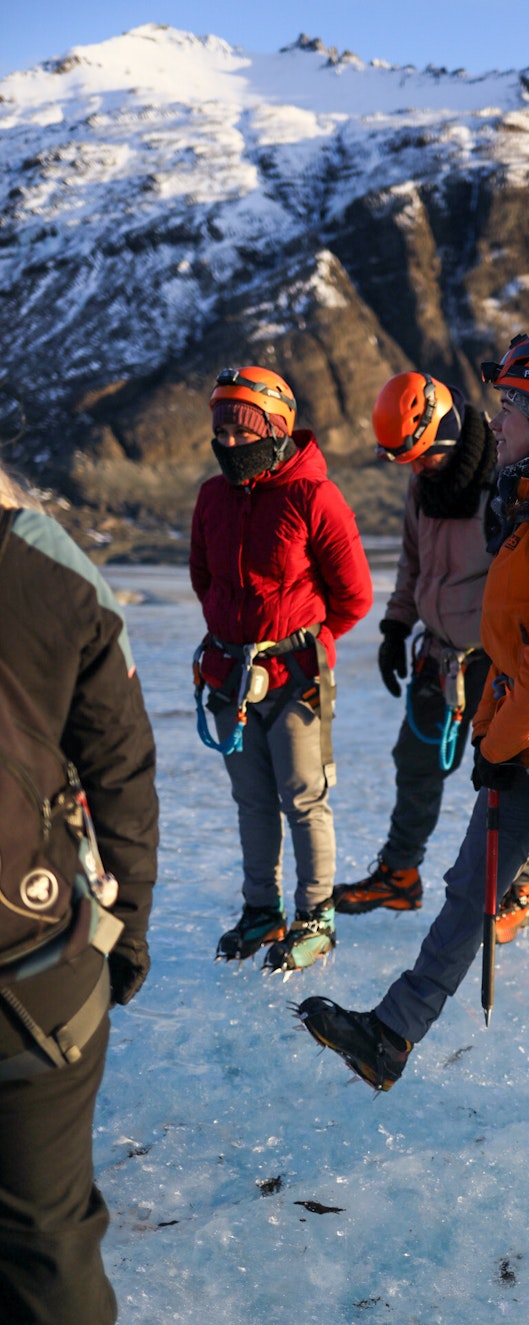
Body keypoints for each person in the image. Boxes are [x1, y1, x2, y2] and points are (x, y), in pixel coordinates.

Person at [297, 329, 529, 1151]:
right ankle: (389, 1035)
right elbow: (518, 642)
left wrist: (497, 742)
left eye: (509, 405)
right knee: (470, 888)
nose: (495, 419)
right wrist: (499, 735)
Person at [0, 466, 159, 1322]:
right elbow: (120, 770)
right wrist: (125, 931)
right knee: (46, 1238)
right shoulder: (53, 573)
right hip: (33, 966)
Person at [333, 371, 529, 942]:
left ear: (441, 433)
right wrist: (397, 624)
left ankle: (517, 890)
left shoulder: (501, 480)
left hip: (492, 661)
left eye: (420, 457)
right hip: (436, 656)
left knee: (506, 776)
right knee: (415, 763)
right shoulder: (423, 486)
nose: (415, 469)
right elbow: (411, 561)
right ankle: (400, 874)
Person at [191, 365, 372, 971]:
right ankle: (261, 913)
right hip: (232, 676)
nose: (230, 443)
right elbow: (204, 577)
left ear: (275, 429)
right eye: (223, 432)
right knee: (252, 802)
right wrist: (233, 640)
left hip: (295, 679)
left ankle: (316, 917)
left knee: (303, 798)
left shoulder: (313, 497)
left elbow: (354, 596)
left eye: (243, 432)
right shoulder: (213, 497)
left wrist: (299, 649)